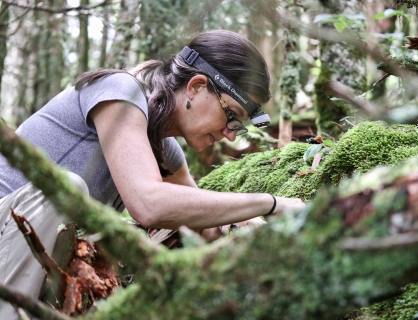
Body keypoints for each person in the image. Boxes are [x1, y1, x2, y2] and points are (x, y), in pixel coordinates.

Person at [0, 30, 306, 317]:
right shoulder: (119, 91)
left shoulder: (163, 149)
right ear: (197, 86)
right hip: (7, 230)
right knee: (66, 188)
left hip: (24, 258)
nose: (230, 135)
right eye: (232, 116)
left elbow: (200, 220)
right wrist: (269, 202)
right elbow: (149, 204)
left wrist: (265, 235)